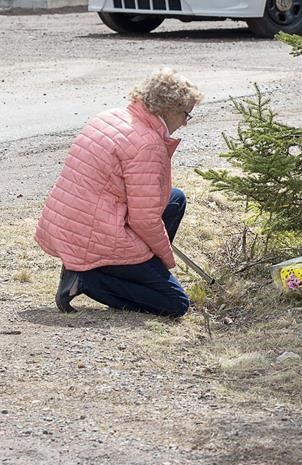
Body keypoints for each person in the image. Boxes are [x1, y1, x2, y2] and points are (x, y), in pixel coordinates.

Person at [35, 68, 203, 317]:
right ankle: (86, 280)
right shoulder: (147, 143)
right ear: (169, 108)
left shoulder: (110, 116)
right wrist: (164, 260)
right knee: (175, 304)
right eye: (186, 114)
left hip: (71, 228)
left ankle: (99, 270)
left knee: (175, 199)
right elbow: (143, 219)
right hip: (96, 237)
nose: (186, 122)